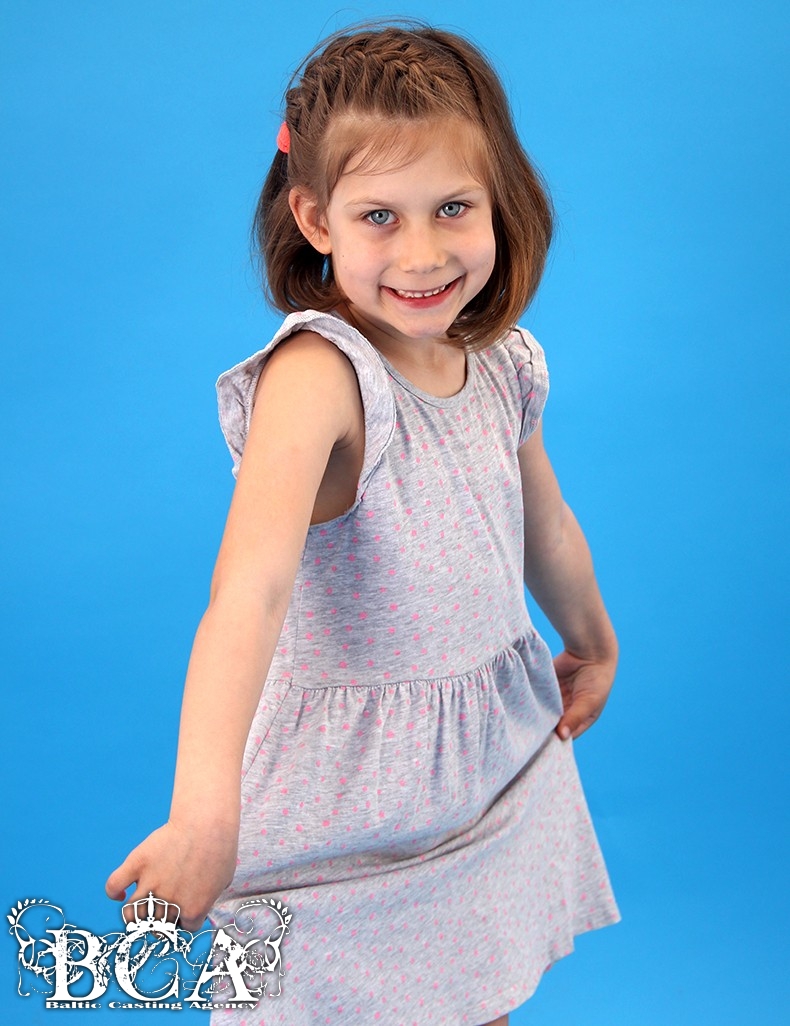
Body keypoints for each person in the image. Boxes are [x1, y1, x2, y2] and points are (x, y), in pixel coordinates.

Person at [106, 21, 620, 1026]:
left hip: (480, 772)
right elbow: (248, 593)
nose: (423, 254)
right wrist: (203, 813)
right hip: (347, 810)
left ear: (498, 200)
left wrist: (592, 641)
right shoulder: (320, 376)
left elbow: (545, 523)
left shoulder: (501, 360)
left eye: (452, 208)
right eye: (380, 215)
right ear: (316, 217)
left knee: (477, 999)